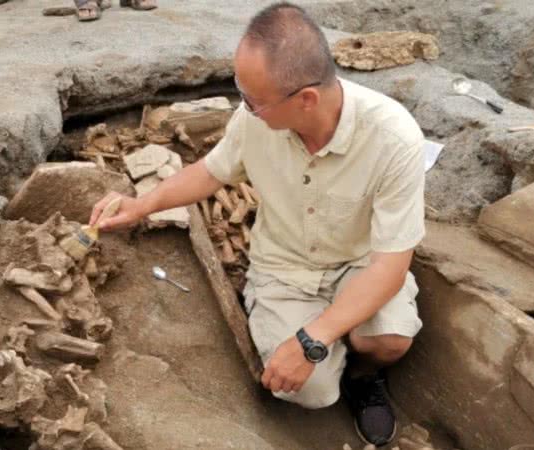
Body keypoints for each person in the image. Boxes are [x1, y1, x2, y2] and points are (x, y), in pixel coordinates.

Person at [90, 2, 425, 446]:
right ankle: (328, 357)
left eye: (252, 98)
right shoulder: (253, 121)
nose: (243, 106)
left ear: (306, 99)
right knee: (312, 391)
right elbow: (211, 171)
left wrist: (312, 340)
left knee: (390, 340)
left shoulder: (395, 139)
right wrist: (142, 204)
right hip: (283, 271)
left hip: (360, 267)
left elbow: (388, 267)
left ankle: (363, 376)